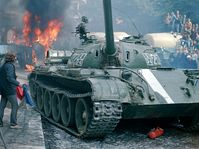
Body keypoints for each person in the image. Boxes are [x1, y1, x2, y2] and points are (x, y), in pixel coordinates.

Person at [0, 53, 22, 128]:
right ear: (12, 59)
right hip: (9, 89)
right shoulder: (10, 66)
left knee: (2, 106)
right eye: (15, 58)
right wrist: (18, 83)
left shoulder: (3, 65)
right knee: (15, 105)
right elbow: (9, 78)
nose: (16, 60)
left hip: (3, 89)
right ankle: (13, 123)